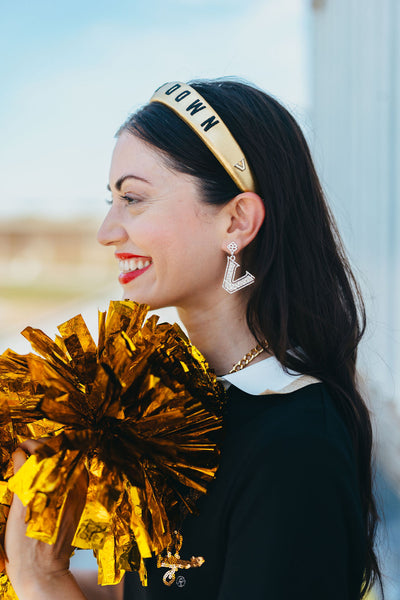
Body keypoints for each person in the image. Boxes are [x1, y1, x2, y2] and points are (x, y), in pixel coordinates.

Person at [4, 79, 383, 599]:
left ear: (237, 219)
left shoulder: (295, 450)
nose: (107, 230)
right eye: (111, 200)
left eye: (133, 198)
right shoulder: (175, 407)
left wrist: (41, 580)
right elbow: (154, 589)